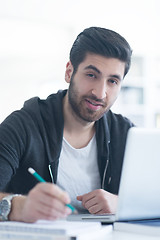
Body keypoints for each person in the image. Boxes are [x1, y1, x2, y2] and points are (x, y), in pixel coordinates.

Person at [0, 26, 134, 223]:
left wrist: (122, 203)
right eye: (91, 75)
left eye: (112, 81)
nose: (100, 93)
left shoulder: (127, 134)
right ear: (69, 72)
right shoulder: (22, 126)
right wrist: (17, 207)